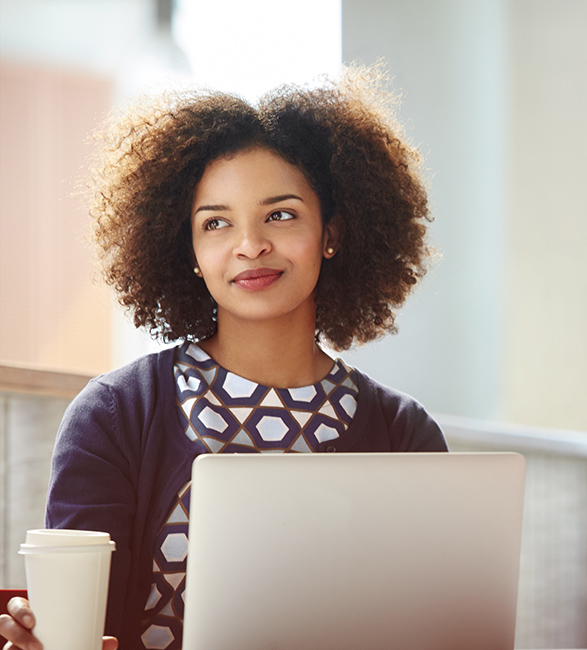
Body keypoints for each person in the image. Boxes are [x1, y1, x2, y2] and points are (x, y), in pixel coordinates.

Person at [0, 64, 447, 650]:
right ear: (188, 249)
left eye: (280, 214)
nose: (250, 244)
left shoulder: (403, 433)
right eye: (216, 223)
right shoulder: (115, 415)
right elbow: (81, 629)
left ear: (332, 232)